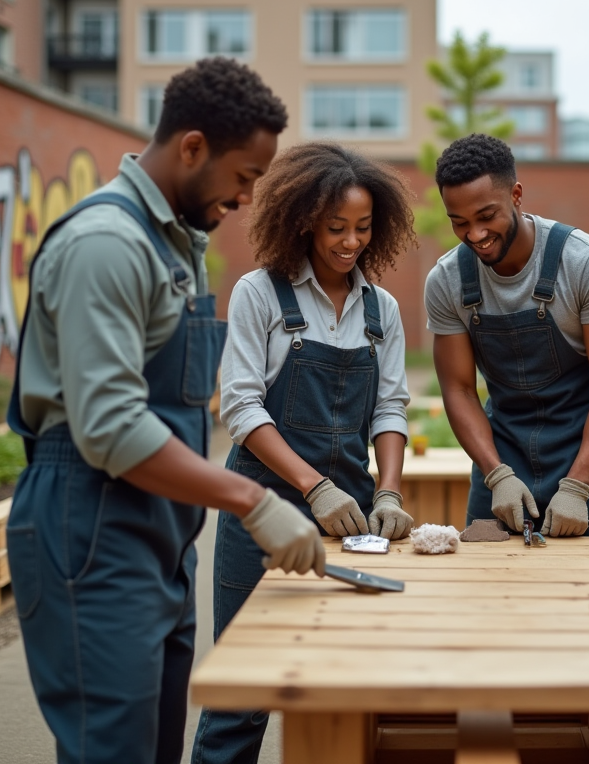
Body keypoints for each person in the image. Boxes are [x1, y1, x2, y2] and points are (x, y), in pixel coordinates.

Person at [5, 58, 326, 764]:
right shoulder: (107, 246)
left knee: (154, 748)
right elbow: (112, 427)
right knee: (111, 750)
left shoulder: (175, 246)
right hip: (89, 526)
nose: (246, 199)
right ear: (191, 148)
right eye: (243, 176)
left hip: (160, 536)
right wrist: (254, 502)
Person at [191, 142, 417, 763]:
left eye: (364, 228)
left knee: (344, 685)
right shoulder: (259, 295)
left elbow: (390, 409)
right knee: (245, 687)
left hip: (352, 520)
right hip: (261, 513)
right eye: (336, 228)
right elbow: (240, 407)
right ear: (302, 222)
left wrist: (390, 489)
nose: (351, 242)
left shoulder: (383, 310)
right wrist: (312, 486)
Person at [425, 134, 589, 538]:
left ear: (516, 195)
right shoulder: (447, 281)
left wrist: (578, 485)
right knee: (492, 592)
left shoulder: (586, 263)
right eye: (460, 222)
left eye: (487, 216)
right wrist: (496, 474)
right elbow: (460, 390)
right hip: (501, 459)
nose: (476, 234)